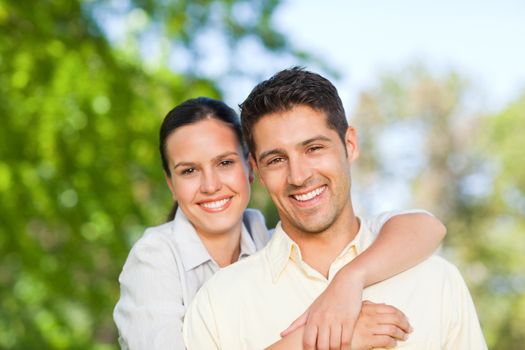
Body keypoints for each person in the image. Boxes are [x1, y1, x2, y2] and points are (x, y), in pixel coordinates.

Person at [183, 69, 488, 350]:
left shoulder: (435, 281)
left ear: (350, 145)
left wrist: (349, 280)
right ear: (257, 171)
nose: (299, 176)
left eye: (314, 148)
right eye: (276, 159)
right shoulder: (219, 303)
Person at [114, 97, 446, 349]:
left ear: (250, 168)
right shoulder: (155, 258)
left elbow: (425, 228)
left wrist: (349, 279)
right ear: (171, 184)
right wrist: (328, 337)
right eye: (189, 170)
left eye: (225, 162)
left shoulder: (264, 236)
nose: (211, 184)